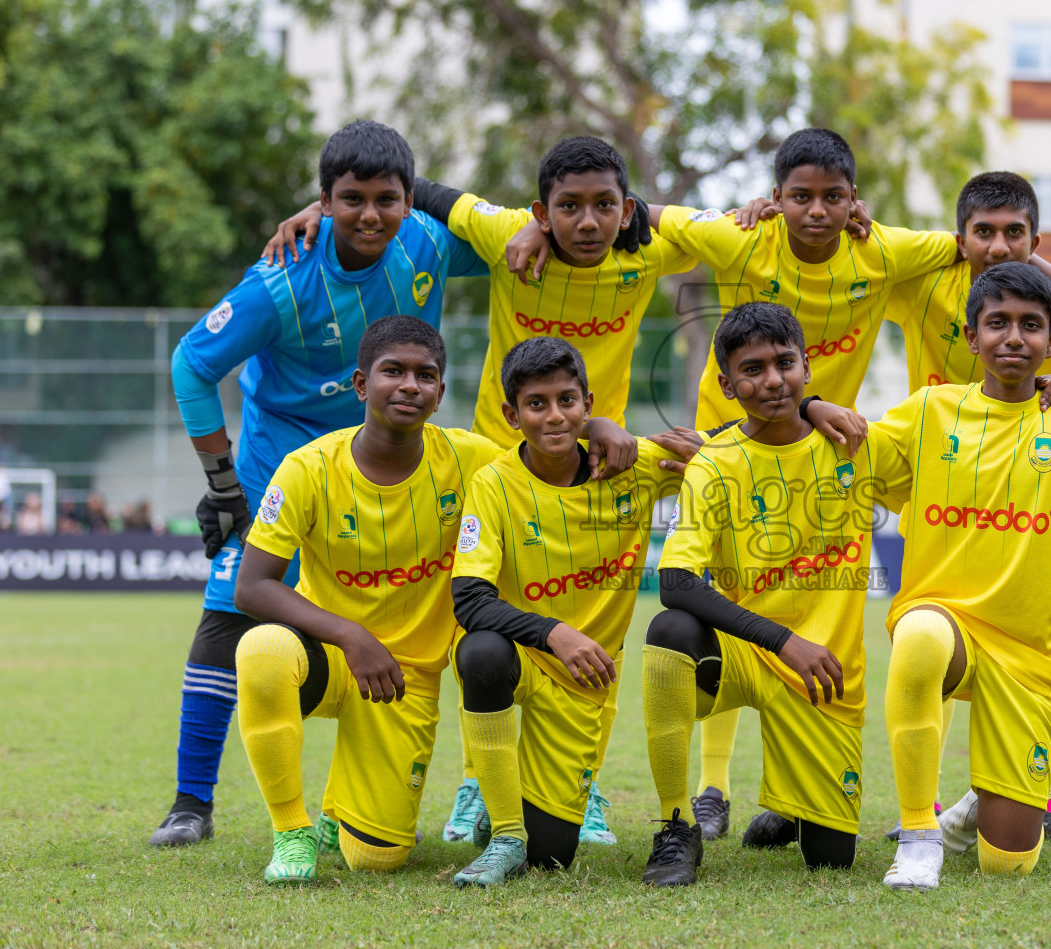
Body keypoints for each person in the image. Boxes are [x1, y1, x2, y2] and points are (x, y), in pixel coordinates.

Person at [150, 119, 634, 850]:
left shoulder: (426, 243)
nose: (372, 215)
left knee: (480, 588)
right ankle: (191, 803)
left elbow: (523, 237)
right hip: (289, 457)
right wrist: (224, 484)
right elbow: (191, 364)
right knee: (232, 603)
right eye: (351, 200)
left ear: (411, 200)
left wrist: (534, 237)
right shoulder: (283, 277)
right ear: (324, 200)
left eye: (387, 199)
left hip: (406, 454)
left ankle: (497, 783)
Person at [641, 130, 1051, 845]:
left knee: (998, 613)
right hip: (738, 447)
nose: (998, 246)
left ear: (855, 203)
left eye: (1016, 236)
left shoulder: (893, 257)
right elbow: (650, 217)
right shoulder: (776, 245)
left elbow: (1001, 258)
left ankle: (1033, 791)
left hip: (866, 456)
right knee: (733, 601)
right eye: (801, 197)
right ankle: (710, 791)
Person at [636, 300, 919, 886]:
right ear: (727, 384)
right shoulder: (714, 464)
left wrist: (1048, 387)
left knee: (831, 859)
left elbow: (952, 446)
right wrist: (783, 641)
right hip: (752, 654)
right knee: (670, 634)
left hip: (827, 674)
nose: (772, 380)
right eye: (753, 369)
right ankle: (675, 825)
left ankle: (793, 804)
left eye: (785, 363)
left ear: (807, 367)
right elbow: (676, 583)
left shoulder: (853, 441)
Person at [875, 263, 1051, 889]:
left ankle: (974, 812)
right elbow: (838, 444)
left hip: (1025, 657)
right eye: (997, 324)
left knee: (1008, 863)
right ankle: (918, 836)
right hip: (944, 624)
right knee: (918, 639)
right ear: (970, 336)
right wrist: (808, 401)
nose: (1013, 338)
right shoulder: (930, 410)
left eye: (1030, 326)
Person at [232, 316, 506, 884]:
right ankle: (291, 832)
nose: (410, 385)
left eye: (425, 375)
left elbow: (549, 454)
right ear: (361, 384)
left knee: (376, 859)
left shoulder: (472, 459)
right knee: (261, 651)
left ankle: (342, 814)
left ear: (440, 394)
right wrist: (351, 636)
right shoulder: (308, 468)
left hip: (405, 676)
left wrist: (600, 427)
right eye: (393, 371)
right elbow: (252, 586)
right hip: (329, 655)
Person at [443, 337, 717, 886]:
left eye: (568, 401)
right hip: (526, 654)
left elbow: (740, 439)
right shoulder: (493, 483)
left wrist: (808, 407)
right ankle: (502, 832)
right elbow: (470, 599)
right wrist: (554, 633)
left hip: (584, 679)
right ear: (511, 415)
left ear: (587, 402)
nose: (554, 415)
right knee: (480, 651)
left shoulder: (630, 465)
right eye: (536, 404)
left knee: (551, 857)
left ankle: (516, 810)